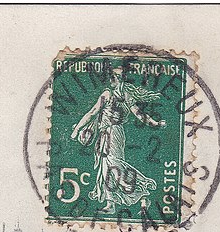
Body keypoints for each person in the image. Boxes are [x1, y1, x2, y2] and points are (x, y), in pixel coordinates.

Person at [70, 66, 165, 215]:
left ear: (119, 79)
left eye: (113, 76)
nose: (111, 78)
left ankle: (143, 191)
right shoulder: (124, 95)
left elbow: (93, 112)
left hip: (112, 134)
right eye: (111, 76)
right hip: (108, 134)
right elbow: (140, 115)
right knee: (105, 168)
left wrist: (76, 130)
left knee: (114, 166)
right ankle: (111, 204)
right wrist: (155, 123)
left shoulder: (110, 94)